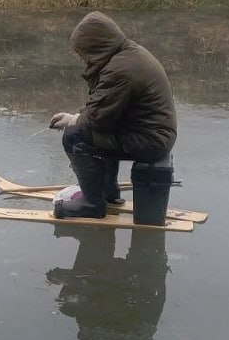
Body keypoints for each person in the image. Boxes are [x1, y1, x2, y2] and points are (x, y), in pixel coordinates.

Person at [50, 11, 177, 219]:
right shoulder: (128, 54)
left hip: (150, 141)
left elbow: (97, 119)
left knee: (74, 137)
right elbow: (106, 108)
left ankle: (92, 203)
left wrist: (74, 121)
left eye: (85, 52)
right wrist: (75, 116)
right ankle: (107, 193)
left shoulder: (120, 69)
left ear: (97, 45)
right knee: (92, 132)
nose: (84, 58)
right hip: (153, 134)